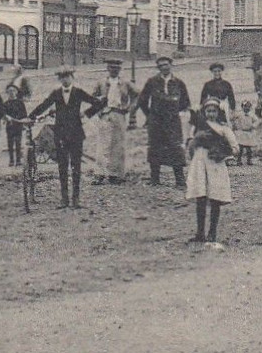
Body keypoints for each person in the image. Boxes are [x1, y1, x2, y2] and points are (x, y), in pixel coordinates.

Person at [29, 66, 105, 208]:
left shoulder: (78, 92)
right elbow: (44, 105)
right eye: (62, 77)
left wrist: (87, 113)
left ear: (72, 78)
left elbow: (99, 103)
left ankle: (76, 200)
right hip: (60, 135)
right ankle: (64, 200)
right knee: (62, 167)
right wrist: (30, 116)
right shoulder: (56, 93)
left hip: (76, 134)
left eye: (67, 76)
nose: (65, 79)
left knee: (76, 167)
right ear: (60, 79)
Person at [185, 99, 239, 243]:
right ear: (204, 112)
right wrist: (195, 141)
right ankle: (200, 233)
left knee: (215, 197)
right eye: (208, 111)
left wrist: (222, 153)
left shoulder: (224, 129)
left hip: (215, 165)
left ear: (218, 112)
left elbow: (235, 148)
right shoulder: (198, 127)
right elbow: (190, 145)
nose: (211, 114)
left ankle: (212, 232)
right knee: (200, 197)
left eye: (214, 111)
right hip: (200, 162)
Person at [137, 55, 190, 188]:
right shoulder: (152, 81)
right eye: (161, 66)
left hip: (173, 121)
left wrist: (174, 111)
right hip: (156, 121)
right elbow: (142, 100)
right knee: (155, 147)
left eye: (166, 64)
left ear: (171, 65)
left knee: (176, 148)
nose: (164, 67)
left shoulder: (179, 82)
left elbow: (185, 102)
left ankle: (180, 180)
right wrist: (150, 115)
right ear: (158, 68)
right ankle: (155, 179)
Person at [93, 57, 134, 183]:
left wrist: (129, 107)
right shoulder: (101, 82)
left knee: (117, 145)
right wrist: (98, 108)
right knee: (102, 144)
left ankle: (114, 174)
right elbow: (92, 97)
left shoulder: (126, 83)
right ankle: (99, 173)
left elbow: (138, 94)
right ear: (107, 69)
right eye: (111, 68)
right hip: (105, 114)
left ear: (120, 69)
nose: (114, 70)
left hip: (119, 114)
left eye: (117, 68)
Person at [1, 83, 28, 168]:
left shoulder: (20, 103)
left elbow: (24, 114)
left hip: (18, 125)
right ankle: (11, 160)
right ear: (7, 93)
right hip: (10, 126)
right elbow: (3, 114)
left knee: (18, 143)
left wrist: (23, 122)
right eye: (9, 91)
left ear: (16, 92)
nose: (11, 92)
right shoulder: (5, 104)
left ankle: (18, 160)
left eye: (13, 91)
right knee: (10, 143)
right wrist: (6, 117)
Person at [232, 100, 259, 165]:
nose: (246, 108)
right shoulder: (239, 114)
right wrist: (235, 125)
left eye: (248, 106)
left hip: (248, 133)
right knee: (240, 148)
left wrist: (253, 126)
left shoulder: (252, 115)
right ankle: (239, 160)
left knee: (248, 148)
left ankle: (249, 160)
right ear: (242, 107)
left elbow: (257, 121)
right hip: (241, 133)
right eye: (245, 106)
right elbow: (233, 119)